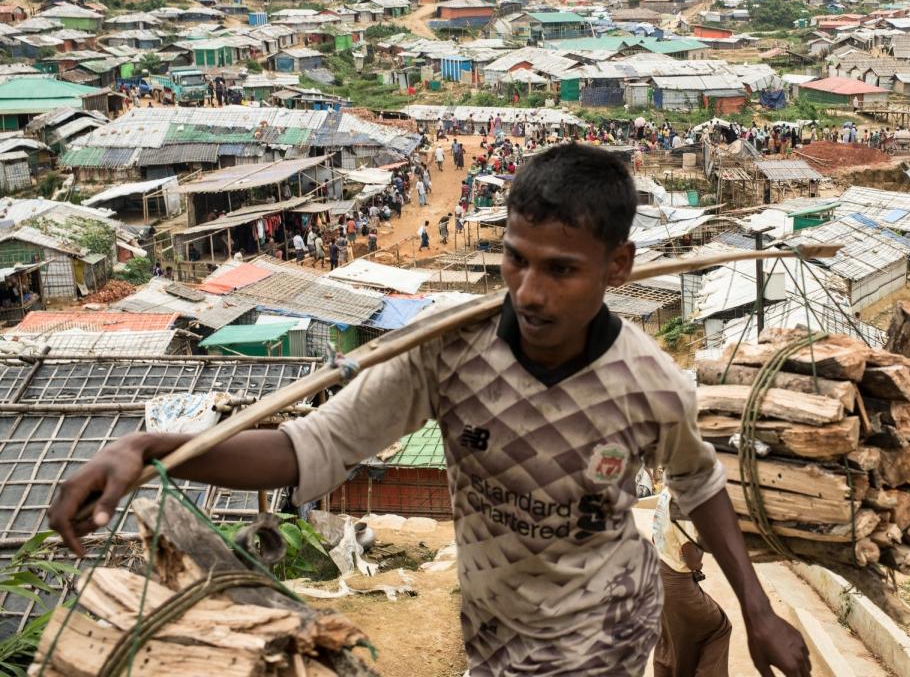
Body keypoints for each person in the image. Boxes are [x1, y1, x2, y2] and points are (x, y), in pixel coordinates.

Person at [47, 145, 811, 677]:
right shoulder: (445, 351)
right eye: (516, 258)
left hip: (605, 631)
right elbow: (309, 449)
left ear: (620, 267)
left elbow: (700, 483)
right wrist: (151, 449)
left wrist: (757, 608)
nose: (530, 292)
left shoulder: (652, 383)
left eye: (562, 270)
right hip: (494, 633)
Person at [652, 489, 732, 677]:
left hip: (657, 573)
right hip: (677, 584)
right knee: (719, 627)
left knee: (671, 643)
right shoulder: (684, 504)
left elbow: (655, 537)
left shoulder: (666, 493)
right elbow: (693, 561)